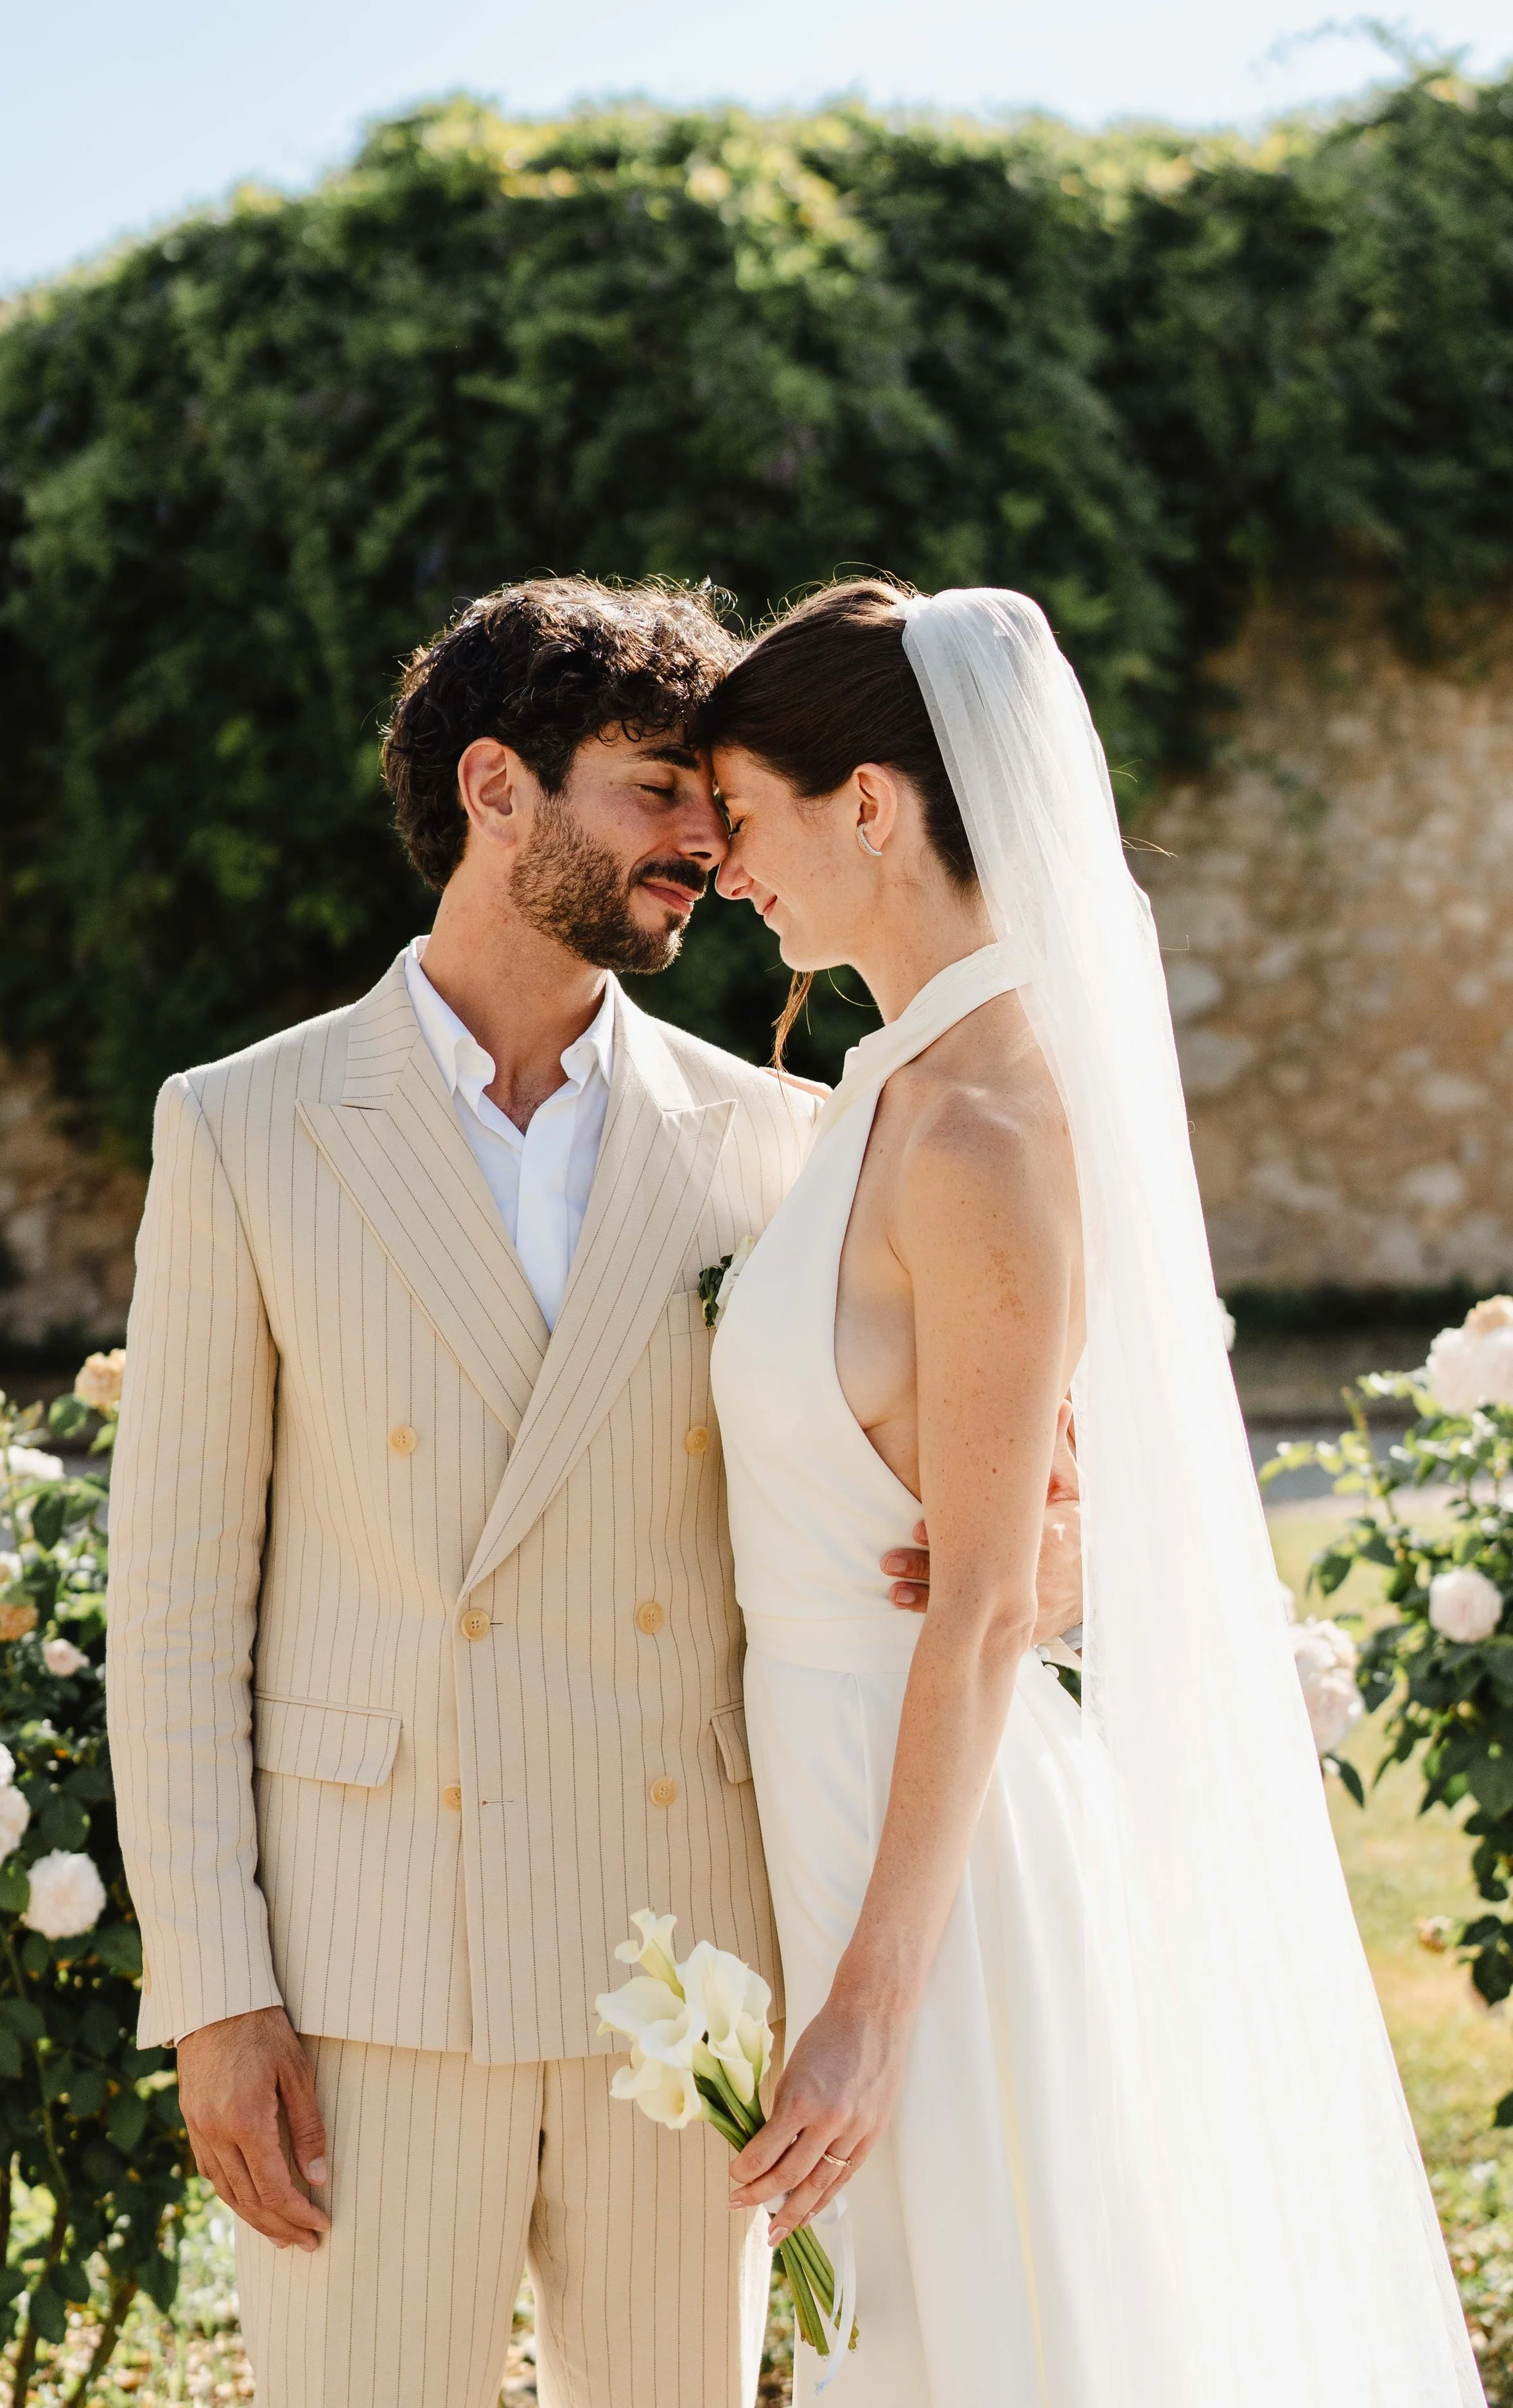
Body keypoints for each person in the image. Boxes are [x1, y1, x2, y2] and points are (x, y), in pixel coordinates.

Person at [105, 575, 1083, 2408]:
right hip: (363, 1983)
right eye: (656, 791)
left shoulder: (785, 1131)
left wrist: (1044, 1534)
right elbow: (168, 1607)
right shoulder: (242, 1127)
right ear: (496, 788)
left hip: (690, 1967)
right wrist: (218, 1995)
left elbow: (956, 1458)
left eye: (716, 807)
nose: (707, 848)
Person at [699, 580, 1485, 2408]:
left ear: (870, 805)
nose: (724, 864)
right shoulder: (884, 1093)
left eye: (743, 814)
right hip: (826, 1803)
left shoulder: (983, 1128)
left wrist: (869, 2008)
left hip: (934, 1873)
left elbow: (975, 1599)